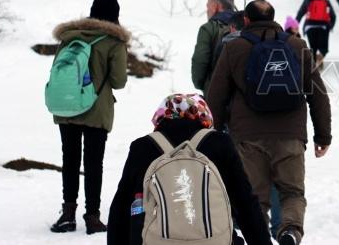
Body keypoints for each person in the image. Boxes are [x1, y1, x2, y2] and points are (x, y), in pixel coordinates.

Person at [206, 0, 332, 245]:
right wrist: (323, 136)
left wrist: (214, 137)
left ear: (246, 20)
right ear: (273, 18)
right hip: (290, 135)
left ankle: (258, 238)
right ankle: (290, 232)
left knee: (254, 197)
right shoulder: (297, 45)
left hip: (247, 136)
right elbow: (318, 94)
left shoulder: (234, 48)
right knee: (292, 192)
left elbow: (216, 96)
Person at [106, 94, 272, 245]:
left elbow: (120, 208)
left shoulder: (142, 147)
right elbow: (246, 204)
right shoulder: (220, 143)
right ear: (203, 115)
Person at [50, 0, 129, 234]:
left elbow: (57, 67)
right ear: (114, 15)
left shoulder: (69, 36)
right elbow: (118, 81)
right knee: (94, 163)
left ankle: (68, 213)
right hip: (96, 110)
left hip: (67, 107)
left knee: (69, 159)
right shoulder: (113, 42)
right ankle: (92, 217)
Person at [191, 0, 237, 94]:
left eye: (208, 6)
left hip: (216, 92)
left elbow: (200, 59)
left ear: (216, 6)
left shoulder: (209, 28)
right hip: (243, 94)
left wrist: (201, 84)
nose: (207, 11)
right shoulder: (245, 25)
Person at [296, 0, 336, 67]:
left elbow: (300, 13)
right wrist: (330, 26)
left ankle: (313, 67)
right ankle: (319, 59)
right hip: (323, 27)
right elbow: (333, 16)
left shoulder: (308, 0)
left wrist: (295, 26)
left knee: (313, 47)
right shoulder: (326, 1)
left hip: (310, 26)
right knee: (323, 47)